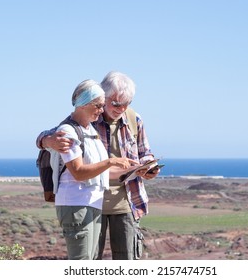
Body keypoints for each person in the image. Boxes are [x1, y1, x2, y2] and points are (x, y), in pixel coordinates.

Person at [36, 71, 160, 260]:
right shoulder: (89, 119)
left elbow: (145, 152)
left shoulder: (134, 120)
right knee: (89, 260)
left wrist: (147, 167)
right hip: (91, 203)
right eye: (116, 103)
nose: (121, 108)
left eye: (127, 104)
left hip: (125, 203)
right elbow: (54, 134)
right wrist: (47, 141)